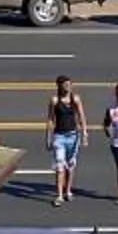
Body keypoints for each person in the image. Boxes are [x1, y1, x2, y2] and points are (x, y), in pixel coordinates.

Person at [43, 75, 85, 205]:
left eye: (69, 84)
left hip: (73, 136)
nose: (67, 87)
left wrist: (85, 134)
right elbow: (50, 120)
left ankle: (68, 191)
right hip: (59, 137)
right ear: (59, 86)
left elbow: (81, 116)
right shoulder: (54, 100)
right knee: (60, 166)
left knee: (70, 165)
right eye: (64, 84)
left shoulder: (75, 99)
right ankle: (59, 195)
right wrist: (48, 138)